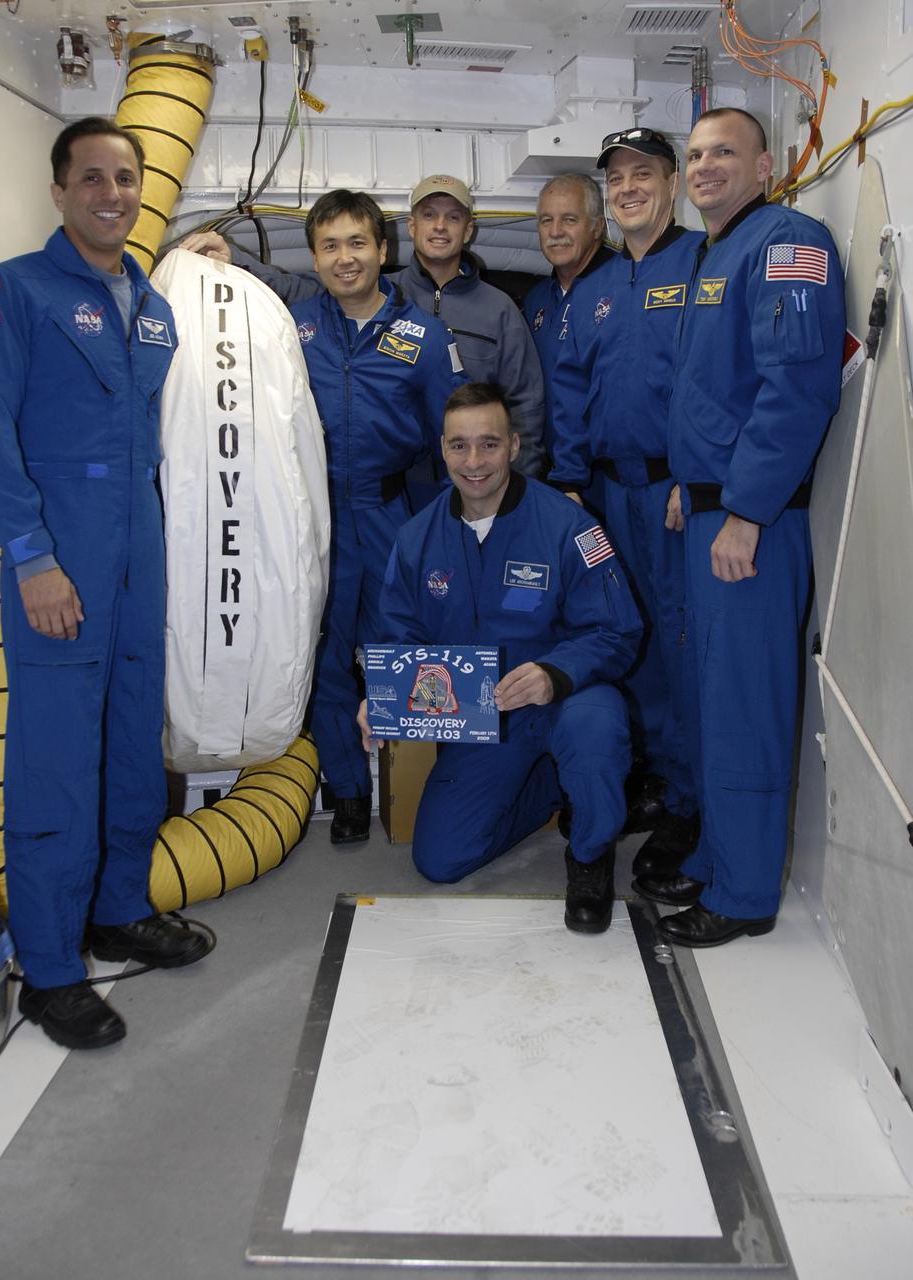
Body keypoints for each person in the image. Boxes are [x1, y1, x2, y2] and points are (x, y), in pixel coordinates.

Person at [0, 117, 209, 1051]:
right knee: (55, 761)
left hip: (139, 554)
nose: (113, 193)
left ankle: (117, 908)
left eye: (127, 177)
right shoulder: (9, 293)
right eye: (92, 178)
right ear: (59, 191)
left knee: (132, 742)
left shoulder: (149, 303)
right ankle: (51, 968)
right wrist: (32, 558)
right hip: (61, 555)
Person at [634, 107, 846, 947]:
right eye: (693, 155)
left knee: (744, 708)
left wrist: (748, 511)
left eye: (724, 151)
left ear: (767, 163)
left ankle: (744, 896)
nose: (704, 166)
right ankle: (723, 861)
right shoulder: (716, 253)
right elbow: (716, 393)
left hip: (754, 524)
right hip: (713, 507)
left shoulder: (789, 242)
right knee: (712, 702)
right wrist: (694, 485)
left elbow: (795, 388)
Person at [359, 383, 642, 932]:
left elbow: (618, 631)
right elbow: (398, 639)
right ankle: (550, 791)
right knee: (439, 861)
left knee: (596, 734)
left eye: (488, 444)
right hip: (484, 721)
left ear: (514, 446)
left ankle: (589, 853)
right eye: (459, 446)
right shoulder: (416, 539)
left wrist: (554, 673)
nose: (474, 462)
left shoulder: (569, 526)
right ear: (441, 449)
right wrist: (382, 698)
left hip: (567, 699)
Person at [287, 189, 467, 844]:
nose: (345, 258)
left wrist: (452, 527)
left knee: (404, 647)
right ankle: (350, 789)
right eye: (330, 245)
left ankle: (418, 781)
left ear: (382, 250)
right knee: (326, 652)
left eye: (357, 243)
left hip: (393, 513)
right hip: (315, 519)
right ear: (313, 256)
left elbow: (455, 437)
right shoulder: (292, 327)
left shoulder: (424, 335)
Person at [549, 129, 704, 879]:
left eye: (642, 173)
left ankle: (687, 803)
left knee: (680, 646)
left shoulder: (702, 264)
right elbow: (570, 391)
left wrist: (693, 472)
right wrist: (572, 482)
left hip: (671, 494)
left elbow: (710, 384)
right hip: (604, 494)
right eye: (616, 179)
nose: (628, 188)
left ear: (671, 183)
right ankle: (647, 780)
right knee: (625, 637)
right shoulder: (596, 288)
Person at [182, 174, 546, 476]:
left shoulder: (481, 316)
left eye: (452, 217)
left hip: (405, 495)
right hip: (319, 505)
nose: (345, 259)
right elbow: (289, 288)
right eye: (429, 214)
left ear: (381, 250)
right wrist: (234, 262)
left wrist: (515, 492)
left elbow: (520, 405)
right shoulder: (311, 314)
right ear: (412, 226)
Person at [521, 173, 614, 421]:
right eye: (546, 220)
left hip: (604, 456)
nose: (555, 231)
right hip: (550, 454)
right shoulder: (535, 300)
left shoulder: (623, 288)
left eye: (569, 219)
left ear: (597, 226)